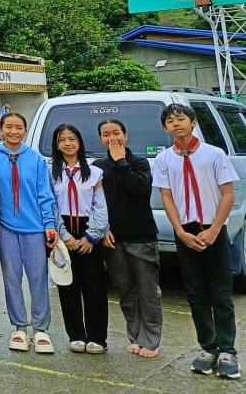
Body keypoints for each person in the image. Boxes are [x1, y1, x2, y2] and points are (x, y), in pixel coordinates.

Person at [153, 103, 240, 379]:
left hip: (213, 229)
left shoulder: (214, 154)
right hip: (186, 232)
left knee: (221, 292)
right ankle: (208, 348)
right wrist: (179, 232)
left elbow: (228, 194)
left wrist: (214, 230)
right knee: (196, 292)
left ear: (193, 123)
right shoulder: (164, 159)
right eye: (170, 121)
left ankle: (227, 351)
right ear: (165, 128)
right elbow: (167, 197)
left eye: (181, 118)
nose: (176, 124)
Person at [0, 113, 58, 354]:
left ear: (25, 130)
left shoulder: (36, 159)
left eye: (19, 127)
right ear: (1, 129)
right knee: (11, 278)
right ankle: (19, 327)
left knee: (38, 278)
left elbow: (45, 194)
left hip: (35, 228)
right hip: (5, 228)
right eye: (8, 127)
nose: (14, 131)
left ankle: (40, 329)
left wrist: (49, 224)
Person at [94, 117, 162, 359]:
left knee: (148, 291)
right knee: (126, 291)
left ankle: (150, 340)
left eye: (116, 133)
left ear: (126, 135)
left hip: (141, 236)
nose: (111, 138)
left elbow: (139, 189)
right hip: (112, 238)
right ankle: (135, 336)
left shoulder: (139, 163)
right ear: (100, 138)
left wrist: (121, 161)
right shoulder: (98, 166)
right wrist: (103, 229)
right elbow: (95, 202)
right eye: (106, 134)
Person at [51, 124, 109, 354]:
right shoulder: (51, 173)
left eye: (72, 139)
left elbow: (99, 206)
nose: (67, 143)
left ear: (79, 142)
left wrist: (91, 236)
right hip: (63, 231)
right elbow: (51, 205)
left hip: (87, 231)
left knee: (95, 287)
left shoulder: (94, 173)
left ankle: (97, 337)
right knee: (67, 285)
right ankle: (75, 334)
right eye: (62, 140)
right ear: (57, 145)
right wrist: (64, 236)